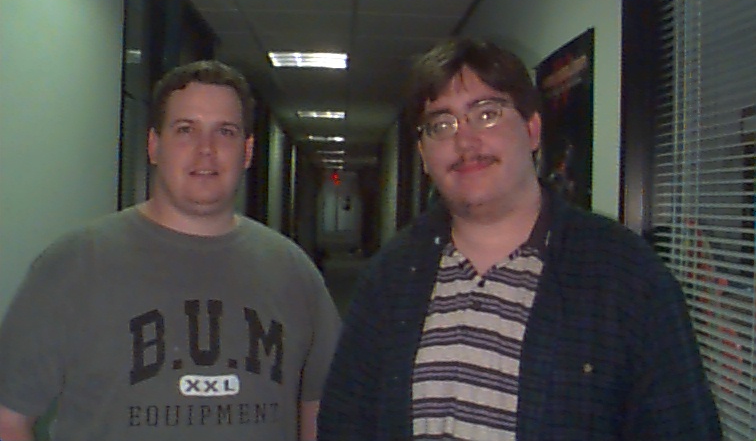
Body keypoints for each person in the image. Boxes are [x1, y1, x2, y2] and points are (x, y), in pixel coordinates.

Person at [317, 38, 721, 440]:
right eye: (441, 125)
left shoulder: (625, 274)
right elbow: (344, 421)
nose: (465, 141)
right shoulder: (390, 276)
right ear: (424, 156)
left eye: (487, 114)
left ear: (532, 130)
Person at [0, 60, 341, 441]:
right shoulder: (74, 264)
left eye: (225, 132)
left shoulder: (294, 274)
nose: (206, 149)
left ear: (247, 152)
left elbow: (322, 408)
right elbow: (8, 419)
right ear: (154, 145)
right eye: (185, 130)